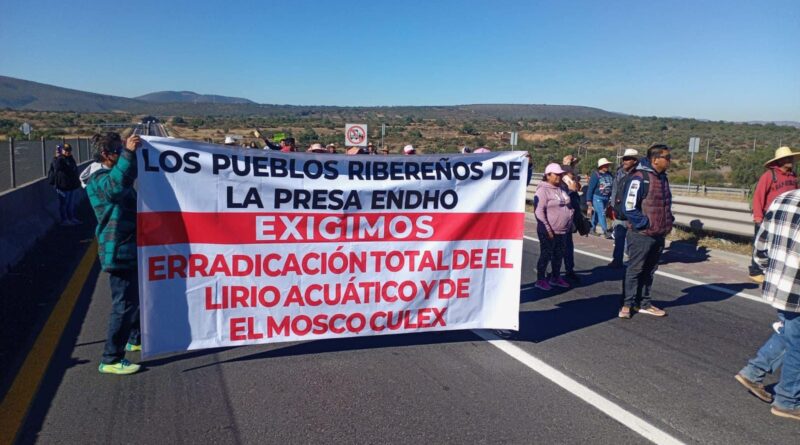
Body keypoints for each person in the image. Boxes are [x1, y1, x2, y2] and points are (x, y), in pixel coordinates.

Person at [80, 132, 142, 375]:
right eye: (117, 150)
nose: (120, 153)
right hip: (118, 250)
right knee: (124, 304)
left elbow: (127, 176)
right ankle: (111, 357)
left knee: (134, 298)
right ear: (106, 154)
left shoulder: (112, 172)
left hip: (129, 246)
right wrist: (128, 153)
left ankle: (134, 338)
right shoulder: (98, 179)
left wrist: (131, 153)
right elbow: (117, 188)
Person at [737, 188, 800, 421]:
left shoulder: (784, 198)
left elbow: (761, 242)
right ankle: (788, 401)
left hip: (778, 283)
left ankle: (754, 372)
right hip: (797, 286)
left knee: (791, 333)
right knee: (798, 343)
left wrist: (764, 268)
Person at [618, 144, 674, 319]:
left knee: (649, 270)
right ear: (655, 159)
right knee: (635, 269)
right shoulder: (640, 178)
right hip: (641, 234)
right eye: (667, 157)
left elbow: (666, 204)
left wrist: (668, 221)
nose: (669, 161)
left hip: (658, 233)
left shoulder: (663, 178)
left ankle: (644, 303)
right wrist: (644, 223)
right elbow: (629, 207)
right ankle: (627, 304)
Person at [749, 146, 799, 284]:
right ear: (780, 161)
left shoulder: (793, 176)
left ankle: (774, 270)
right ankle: (755, 271)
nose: (790, 160)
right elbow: (758, 196)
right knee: (761, 244)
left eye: (791, 158)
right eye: (787, 158)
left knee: (779, 246)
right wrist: (758, 217)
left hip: (786, 218)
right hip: (768, 216)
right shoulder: (769, 176)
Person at [533, 163, 575, 290]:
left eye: (560, 174)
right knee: (546, 255)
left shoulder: (561, 189)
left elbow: (568, 204)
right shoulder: (542, 190)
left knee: (559, 255)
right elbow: (539, 211)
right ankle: (540, 279)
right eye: (556, 174)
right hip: (548, 230)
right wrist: (546, 227)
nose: (559, 176)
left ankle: (555, 277)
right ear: (548, 175)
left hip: (562, 230)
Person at [608, 149, 640, 268]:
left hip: (634, 212)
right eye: (624, 159)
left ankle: (634, 262)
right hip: (620, 211)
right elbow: (614, 190)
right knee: (619, 237)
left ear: (635, 160)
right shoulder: (619, 172)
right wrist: (613, 207)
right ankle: (617, 260)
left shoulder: (640, 174)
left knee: (633, 239)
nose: (625, 161)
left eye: (628, 159)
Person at [49, 143, 82, 225]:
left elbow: (74, 169)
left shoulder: (70, 158)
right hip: (62, 186)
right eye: (66, 150)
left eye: (69, 150)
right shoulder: (59, 159)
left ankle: (71, 218)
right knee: (64, 203)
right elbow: (56, 168)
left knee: (70, 204)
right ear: (62, 150)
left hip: (71, 185)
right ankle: (64, 220)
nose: (68, 152)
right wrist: (57, 157)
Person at [587, 158, 614, 238]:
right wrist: (588, 199)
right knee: (602, 213)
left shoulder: (609, 174)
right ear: (601, 166)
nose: (607, 166)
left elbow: (612, 186)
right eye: (605, 165)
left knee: (597, 213)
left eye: (607, 165)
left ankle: (592, 228)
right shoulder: (595, 175)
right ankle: (605, 231)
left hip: (606, 198)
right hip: (597, 197)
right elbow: (591, 188)